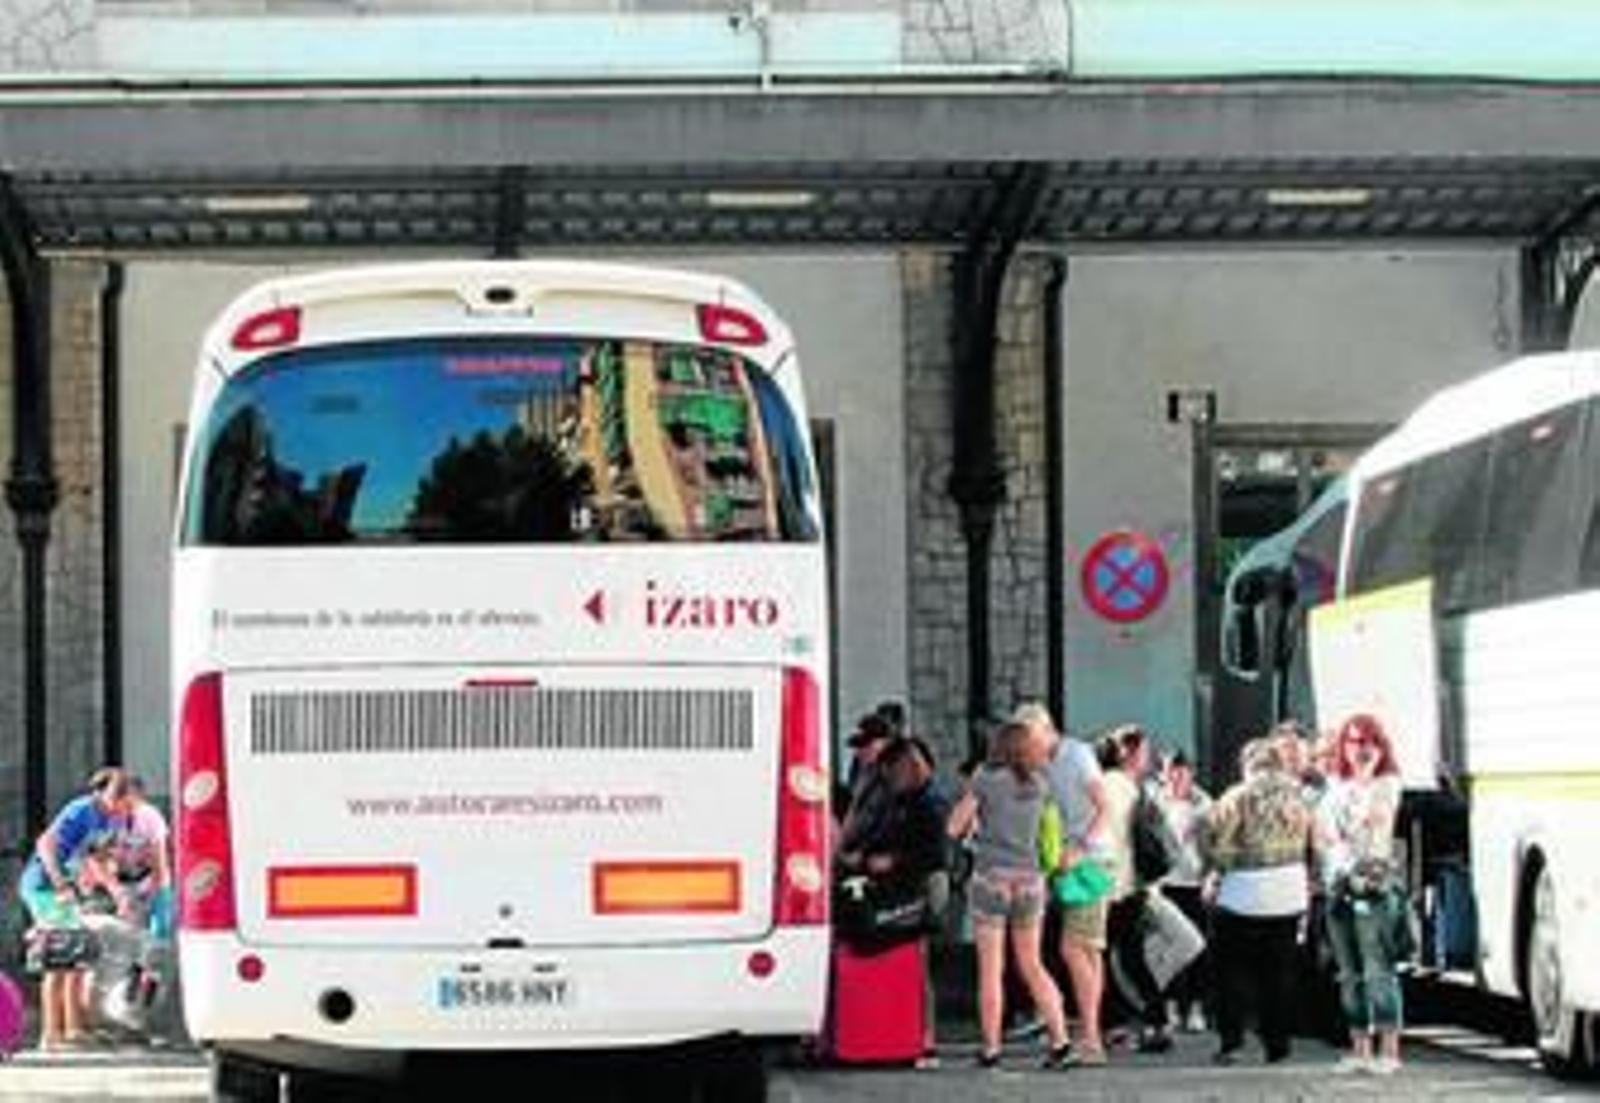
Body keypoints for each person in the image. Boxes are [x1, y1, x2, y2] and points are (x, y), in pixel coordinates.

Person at [946, 717, 1072, 1070]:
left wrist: (974, 812)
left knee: (991, 970)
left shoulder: (986, 778)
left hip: (992, 880)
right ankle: (1061, 1040)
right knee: (1033, 965)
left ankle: (990, 1049)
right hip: (1031, 882)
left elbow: (954, 826)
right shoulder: (1041, 783)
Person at [1199, 736, 1316, 1066]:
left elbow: (1218, 843)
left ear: (1247, 765)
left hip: (1243, 893)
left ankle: (1231, 1042)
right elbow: (1314, 841)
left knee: (1229, 970)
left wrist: (1214, 874)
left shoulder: (1237, 795)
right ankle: (1277, 1043)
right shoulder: (1300, 796)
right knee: (1278, 972)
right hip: (1289, 889)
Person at [16, 767, 135, 1051]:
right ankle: (50, 1034)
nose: (122, 807)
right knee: (59, 958)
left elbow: (94, 860)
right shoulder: (80, 809)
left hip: (64, 893)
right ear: (104, 794)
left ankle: (73, 1030)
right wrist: (59, 883)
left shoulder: (109, 819)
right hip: (43, 888)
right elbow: (44, 844)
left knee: (77, 958)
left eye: (125, 802)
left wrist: (118, 892)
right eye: (119, 799)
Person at [1316, 712, 1406, 1076]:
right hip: (1338, 883)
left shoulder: (1387, 783)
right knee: (1349, 973)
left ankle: (1389, 1050)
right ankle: (1360, 1049)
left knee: (1378, 969)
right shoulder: (1334, 785)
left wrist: (1365, 778)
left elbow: (1375, 821)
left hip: (1372, 885)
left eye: (1368, 742)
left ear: (1381, 747)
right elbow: (1323, 835)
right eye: (1353, 742)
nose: (1360, 750)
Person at [1097, 723, 1175, 1054]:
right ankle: (1151, 1021)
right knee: (1128, 957)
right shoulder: (1123, 786)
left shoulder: (1110, 784)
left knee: (1106, 957)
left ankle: (1117, 1024)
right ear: (1127, 752)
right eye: (1144, 751)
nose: (1148, 758)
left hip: (1111, 885)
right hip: (1124, 885)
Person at [1155, 750, 1212, 1033]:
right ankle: (1170, 1006)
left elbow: (1212, 845)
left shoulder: (1203, 803)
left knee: (1197, 947)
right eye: (1170, 771)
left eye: (1181, 770)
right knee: (1167, 948)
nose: (1175, 777)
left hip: (1194, 884)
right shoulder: (1156, 801)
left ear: (1191, 773)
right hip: (1164, 884)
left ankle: (1197, 1007)